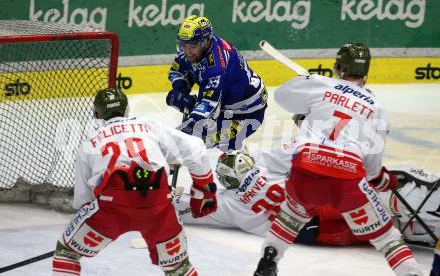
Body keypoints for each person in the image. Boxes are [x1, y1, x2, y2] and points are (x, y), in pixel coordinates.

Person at [253, 43, 424, 276]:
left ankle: (268, 261)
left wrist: (308, 88)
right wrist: (382, 180)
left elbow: (281, 95)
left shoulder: (322, 84)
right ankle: (411, 273)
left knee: (290, 217)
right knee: (386, 237)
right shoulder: (377, 108)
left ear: (338, 66)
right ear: (366, 72)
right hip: (346, 179)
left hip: (305, 170)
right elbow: (371, 168)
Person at [51, 87, 218, 276]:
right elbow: (195, 148)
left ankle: (69, 255)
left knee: (66, 254)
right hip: (159, 203)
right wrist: (204, 190)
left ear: (97, 114)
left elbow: (84, 201)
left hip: (112, 207)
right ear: (126, 109)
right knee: (178, 267)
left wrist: (87, 231)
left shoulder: (89, 142)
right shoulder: (148, 125)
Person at [174, 147, 440, 247]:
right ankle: (423, 207)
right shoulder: (266, 168)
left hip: (311, 232)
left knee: (369, 230)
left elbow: (190, 210)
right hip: (319, 204)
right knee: (377, 198)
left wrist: (169, 197)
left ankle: (418, 230)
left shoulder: (230, 203)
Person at [165, 15, 267, 152]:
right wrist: (180, 91)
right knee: (187, 135)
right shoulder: (196, 48)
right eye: (184, 45)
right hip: (225, 103)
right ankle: (234, 153)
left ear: (206, 41)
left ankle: (239, 160)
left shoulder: (217, 67)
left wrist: (185, 132)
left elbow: (208, 107)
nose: (187, 51)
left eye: (192, 45)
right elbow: (178, 70)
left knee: (194, 145)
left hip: (245, 115)